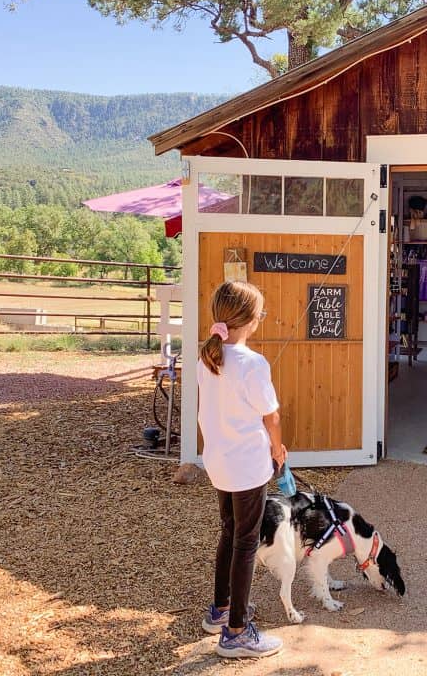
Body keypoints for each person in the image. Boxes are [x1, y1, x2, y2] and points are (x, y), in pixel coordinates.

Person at [197, 280, 286, 659]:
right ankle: (236, 631)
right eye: (260, 314)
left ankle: (220, 610)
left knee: (230, 532)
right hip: (247, 462)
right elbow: (271, 416)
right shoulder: (252, 362)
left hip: (218, 459)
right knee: (246, 541)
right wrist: (278, 449)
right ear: (251, 320)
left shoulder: (208, 356)